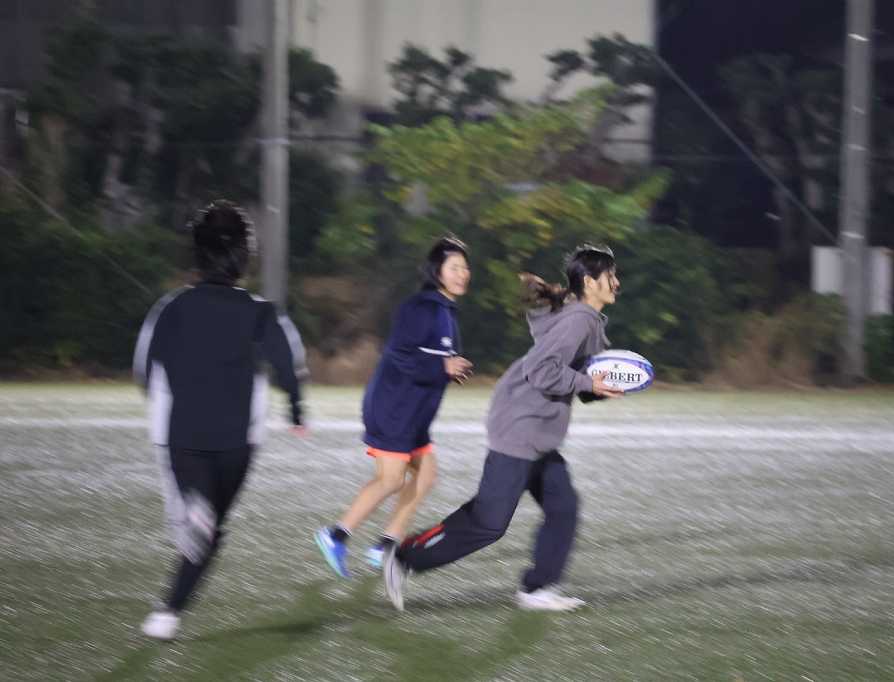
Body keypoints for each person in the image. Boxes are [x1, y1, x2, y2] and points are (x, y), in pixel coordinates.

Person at [383, 244, 623, 612]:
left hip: (538, 433)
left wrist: (599, 388)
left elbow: (572, 377)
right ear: (590, 282)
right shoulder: (579, 320)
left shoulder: (585, 318)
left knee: (563, 507)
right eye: (610, 276)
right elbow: (541, 370)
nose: (616, 283)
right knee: (488, 523)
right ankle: (404, 557)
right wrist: (589, 383)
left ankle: (537, 589)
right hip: (520, 428)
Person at [133, 200, 308, 640]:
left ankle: (171, 602)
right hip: (238, 441)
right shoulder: (261, 310)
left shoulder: (172, 307)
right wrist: (296, 408)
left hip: (182, 435)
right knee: (210, 530)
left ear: (197, 251)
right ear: (245, 256)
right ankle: (168, 612)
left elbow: (144, 367)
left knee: (198, 523)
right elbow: (288, 364)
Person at [315, 236, 473, 576]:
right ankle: (335, 536)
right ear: (436, 271)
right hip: (394, 409)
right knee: (390, 480)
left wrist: (450, 370)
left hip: (414, 416)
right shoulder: (420, 307)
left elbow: (432, 362)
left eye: (465, 267)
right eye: (454, 267)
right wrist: (442, 367)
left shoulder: (446, 311)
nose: (463, 274)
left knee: (426, 475)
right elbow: (399, 356)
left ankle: (385, 545)